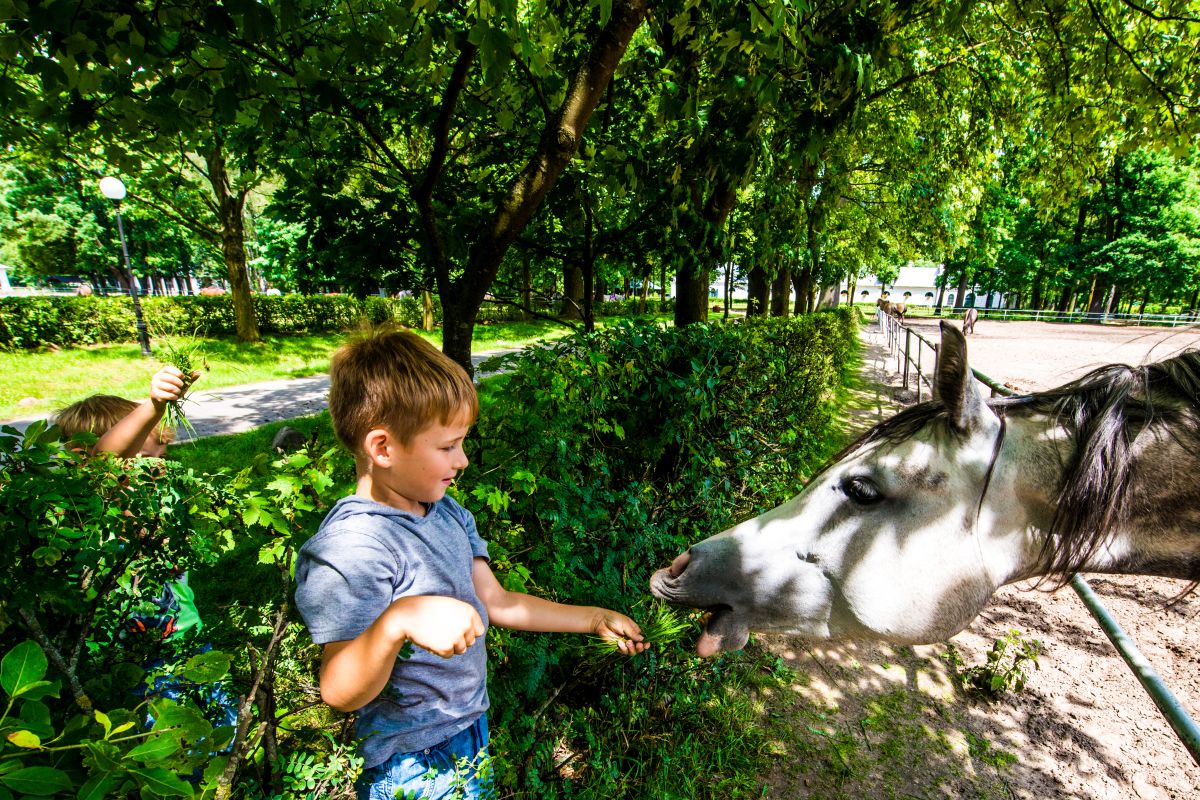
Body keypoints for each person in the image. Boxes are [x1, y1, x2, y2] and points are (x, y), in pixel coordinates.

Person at [294, 329, 647, 800]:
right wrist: (398, 620)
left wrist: (593, 618)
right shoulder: (356, 546)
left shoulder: (446, 512)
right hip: (411, 764)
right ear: (383, 448)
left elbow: (497, 600)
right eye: (447, 446)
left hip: (469, 731)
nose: (461, 460)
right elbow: (339, 691)